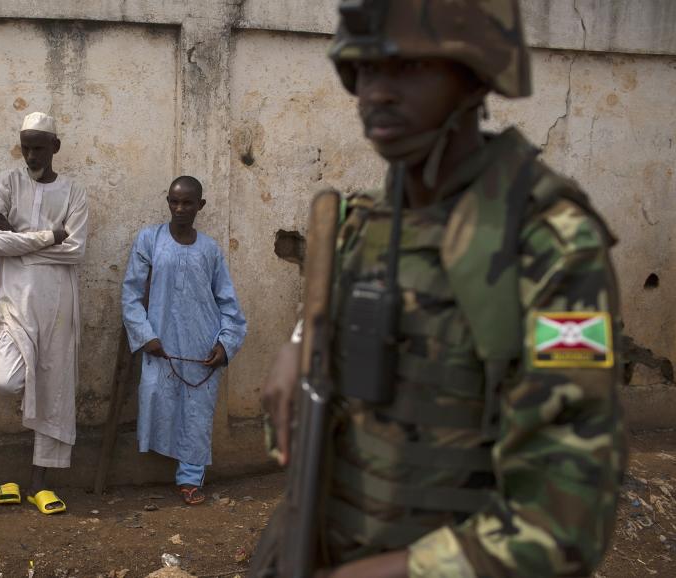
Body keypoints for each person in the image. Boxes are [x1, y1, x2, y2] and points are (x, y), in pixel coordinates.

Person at [260, 1, 626, 576]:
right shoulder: (362, 226)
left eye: (407, 69)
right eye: (367, 70)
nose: (377, 91)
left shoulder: (547, 244)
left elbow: (564, 522)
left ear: (475, 78)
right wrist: (301, 345)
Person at [0, 111, 88, 515]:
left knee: (54, 388)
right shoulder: (4, 183)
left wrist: (20, 241)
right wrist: (49, 236)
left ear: (55, 147)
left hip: (59, 302)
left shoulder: (74, 192)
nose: (31, 155)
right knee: (9, 382)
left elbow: (76, 250)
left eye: (39, 147)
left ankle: (38, 484)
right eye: (25, 147)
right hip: (15, 301)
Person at [121, 176, 247, 505]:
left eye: (188, 202)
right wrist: (145, 335)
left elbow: (228, 303)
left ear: (200, 206)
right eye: (174, 201)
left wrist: (225, 344)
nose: (180, 208)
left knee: (197, 411)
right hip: (160, 343)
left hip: (202, 346)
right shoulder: (150, 239)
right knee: (156, 396)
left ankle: (190, 477)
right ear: (167, 202)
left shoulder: (210, 249)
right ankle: (166, 464)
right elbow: (130, 294)